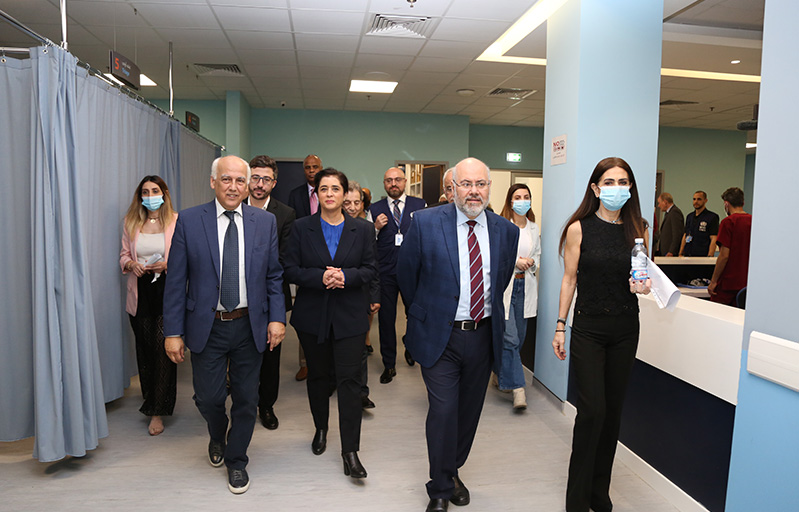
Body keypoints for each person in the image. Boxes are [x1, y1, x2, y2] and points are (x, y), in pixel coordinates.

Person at [398, 158, 518, 512]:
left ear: (489, 187)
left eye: (480, 184)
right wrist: (424, 315)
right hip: (440, 335)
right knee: (444, 410)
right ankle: (439, 489)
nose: (473, 191)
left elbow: (502, 278)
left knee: (468, 413)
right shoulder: (425, 223)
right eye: (465, 184)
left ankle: (451, 470)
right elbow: (407, 276)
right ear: (452, 188)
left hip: (483, 334)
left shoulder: (506, 231)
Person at [163, 155, 286, 494]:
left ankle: (237, 460)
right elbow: (176, 280)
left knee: (247, 398)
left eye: (240, 181)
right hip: (208, 325)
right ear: (213, 181)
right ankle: (217, 435)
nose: (234, 187)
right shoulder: (189, 221)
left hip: (250, 324)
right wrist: (173, 332)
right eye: (226, 179)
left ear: (249, 186)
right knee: (209, 398)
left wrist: (277, 317)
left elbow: (274, 275)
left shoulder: (264, 223)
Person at [551, 157, 651, 512]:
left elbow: (641, 274)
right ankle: (577, 498)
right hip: (589, 329)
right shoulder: (579, 227)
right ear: (595, 188)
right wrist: (560, 326)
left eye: (623, 182)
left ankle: (599, 492)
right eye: (609, 182)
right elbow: (570, 279)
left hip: (625, 328)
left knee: (611, 414)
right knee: (591, 411)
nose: (616, 188)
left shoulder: (639, 227)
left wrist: (643, 286)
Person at [284, 168, 378, 479]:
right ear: (318, 194)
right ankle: (321, 428)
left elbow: (369, 269)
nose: (329, 194)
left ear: (344, 194)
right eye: (323, 188)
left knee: (350, 382)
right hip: (313, 316)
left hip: (350, 317)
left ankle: (350, 450)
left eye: (335, 188)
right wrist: (320, 276)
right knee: (319, 378)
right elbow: (290, 269)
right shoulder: (301, 228)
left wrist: (346, 276)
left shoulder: (362, 230)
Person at [119, 175, 179, 436]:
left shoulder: (176, 221)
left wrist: (168, 264)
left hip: (168, 289)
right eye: (145, 191)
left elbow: (187, 256)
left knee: (163, 348)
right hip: (141, 290)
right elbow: (123, 255)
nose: (150, 195)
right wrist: (131, 264)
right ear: (139, 196)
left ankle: (158, 410)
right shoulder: (131, 222)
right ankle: (150, 398)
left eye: (155, 190)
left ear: (164, 193)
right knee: (145, 351)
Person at [248, 155, 297, 430]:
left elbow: (284, 258)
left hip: (270, 295)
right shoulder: (233, 207)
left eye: (266, 179)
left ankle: (266, 405)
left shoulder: (285, 213)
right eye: (255, 177)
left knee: (270, 354)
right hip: (235, 294)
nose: (259, 184)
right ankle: (242, 399)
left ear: (273, 183)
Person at [370, 167, 426, 383]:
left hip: (412, 271)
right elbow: (366, 242)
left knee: (414, 315)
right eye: (389, 180)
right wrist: (375, 228)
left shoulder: (419, 206)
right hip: (385, 272)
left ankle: (411, 346)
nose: (393, 184)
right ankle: (389, 364)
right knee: (386, 319)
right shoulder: (374, 208)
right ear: (384, 184)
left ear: (405, 182)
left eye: (397, 180)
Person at [496, 184, 541, 411]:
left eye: (526, 197)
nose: (522, 201)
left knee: (520, 337)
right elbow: (498, 256)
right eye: (517, 197)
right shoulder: (503, 226)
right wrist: (515, 262)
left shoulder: (533, 228)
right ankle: (518, 390)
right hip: (507, 286)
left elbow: (538, 255)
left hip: (526, 285)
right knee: (510, 338)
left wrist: (532, 263)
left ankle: (498, 371)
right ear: (510, 201)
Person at [343, 180, 381, 409]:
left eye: (356, 202)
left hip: (360, 295)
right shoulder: (328, 226)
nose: (351, 207)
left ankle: (361, 393)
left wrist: (375, 296)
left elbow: (373, 265)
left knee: (359, 347)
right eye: (347, 202)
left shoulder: (366, 229)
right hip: (334, 295)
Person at [287, 154, 323, 381]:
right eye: (308, 168)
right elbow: (291, 232)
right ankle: (305, 363)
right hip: (306, 265)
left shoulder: (330, 190)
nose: (311, 171)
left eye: (315, 167)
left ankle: (326, 364)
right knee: (306, 315)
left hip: (332, 261)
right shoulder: (295, 195)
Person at [709, 187, 752, 306]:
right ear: (742, 202)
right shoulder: (752, 221)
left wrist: (713, 281)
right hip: (746, 283)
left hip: (728, 283)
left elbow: (724, 255)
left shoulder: (728, 222)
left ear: (726, 204)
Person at [679, 190, 719, 257]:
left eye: (699, 199)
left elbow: (713, 238)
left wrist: (710, 255)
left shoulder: (712, 217)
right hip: (688, 255)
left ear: (705, 200)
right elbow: (685, 235)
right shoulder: (689, 216)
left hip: (702, 256)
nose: (696, 202)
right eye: (694, 199)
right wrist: (680, 253)